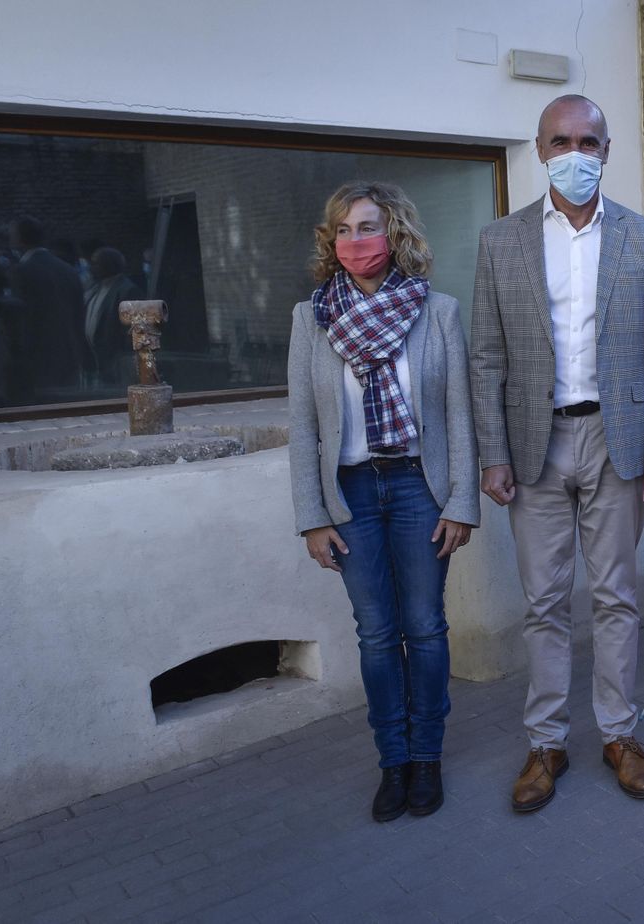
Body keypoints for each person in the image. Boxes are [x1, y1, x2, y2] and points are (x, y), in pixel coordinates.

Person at [470, 94, 644, 814]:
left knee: (616, 596)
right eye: (561, 140)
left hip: (615, 441)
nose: (575, 153)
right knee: (544, 602)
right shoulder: (501, 241)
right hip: (534, 444)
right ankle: (547, 740)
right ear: (539, 149)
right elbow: (487, 357)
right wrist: (491, 453)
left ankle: (620, 734)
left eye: (588, 141)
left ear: (607, 150)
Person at [288, 181, 479, 822]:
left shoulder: (439, 311)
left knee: (424, 628)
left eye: (367, 228)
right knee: (376, 634)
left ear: (394, 235)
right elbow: (304, 425)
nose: (353, 242)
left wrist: (461, 503)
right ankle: (391, 762)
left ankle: (427, 757)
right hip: (351, 495)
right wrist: (311, 517)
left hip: (418, 486)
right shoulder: (310, 317)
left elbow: (459, 413)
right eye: (342, 230)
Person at [8, 216, 86, 392]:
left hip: (38, 355)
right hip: (69, 353)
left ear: (19, 239)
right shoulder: (67, 270)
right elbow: (79, 314)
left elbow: (22, 319)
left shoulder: (22, 271)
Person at [82, 247, 143, 385]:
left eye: (95, 263)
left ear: (109, 265)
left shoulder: (127, 290)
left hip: (116, 363)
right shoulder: (94, 288)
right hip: (96, 361)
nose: (91, 267)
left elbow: (133, 331)